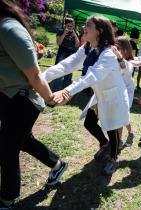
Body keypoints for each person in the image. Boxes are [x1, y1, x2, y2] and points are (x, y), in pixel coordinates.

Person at [0, 1, 68, 209]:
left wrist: (50, 99)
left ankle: (7, 199)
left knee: (7, 149)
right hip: (8, 96)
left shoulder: (8, 29)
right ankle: (57, 164)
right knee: (23, 140)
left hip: (23, 100)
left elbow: (35, 75)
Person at [43, 15, 130, 175]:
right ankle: (105, 145)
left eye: (88, 25)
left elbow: (92, 76)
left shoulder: (109, 53)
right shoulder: (88, 47)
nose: (84, 27)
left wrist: (67, 91)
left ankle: (114, 158)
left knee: (112, 127)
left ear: (99, 30)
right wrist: (40, 78)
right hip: (99, 94)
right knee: (89, 122)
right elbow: (66, 65)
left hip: (113, 96)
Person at [112, 36, 135, 147]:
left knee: (121, 116)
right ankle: (130, 132)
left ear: (125, 50)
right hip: (117, 91)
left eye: (118, 48)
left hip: (127, 92)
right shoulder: (113, 60)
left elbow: (126, 67)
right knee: (122, 116)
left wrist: (120, 58)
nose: (115, 51)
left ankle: (119, 141)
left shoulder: (130, 62)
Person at [50, 17, 80, 92]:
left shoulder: (75, 32)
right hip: (62, 53)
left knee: (69, 73)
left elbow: (77, 45)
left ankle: (66, 91)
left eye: (72, 26)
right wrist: (64, 33)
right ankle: (55, 90)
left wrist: (75, 35)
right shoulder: (60, 31)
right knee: (59, 71)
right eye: (69, 26)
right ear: (65, 25)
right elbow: (58, 43)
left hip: (71, 54)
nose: (71, 28)